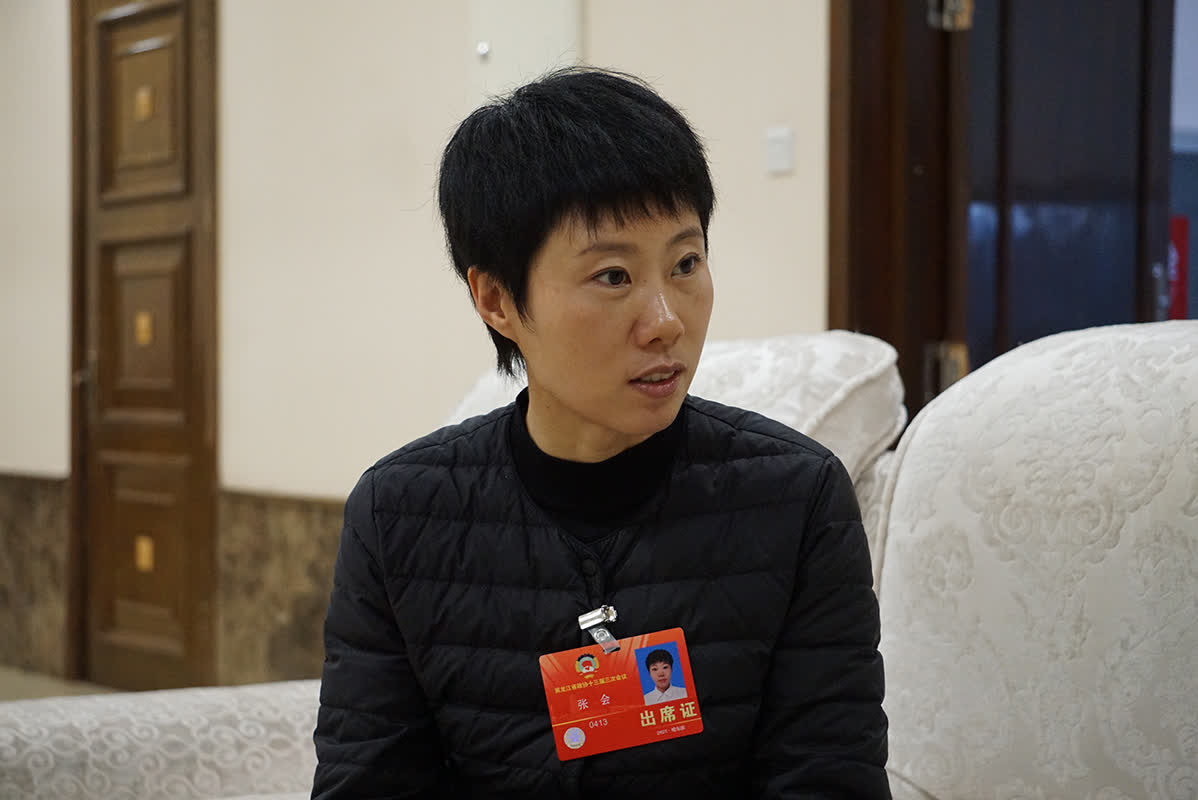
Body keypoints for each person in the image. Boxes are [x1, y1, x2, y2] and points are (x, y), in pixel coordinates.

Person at [312, 67, 889, 798]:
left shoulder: (795, 499)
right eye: (613, 276)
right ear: (497, 299)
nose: (666, 321)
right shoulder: (399, 515)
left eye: (686, 263)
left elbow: (829, 777)